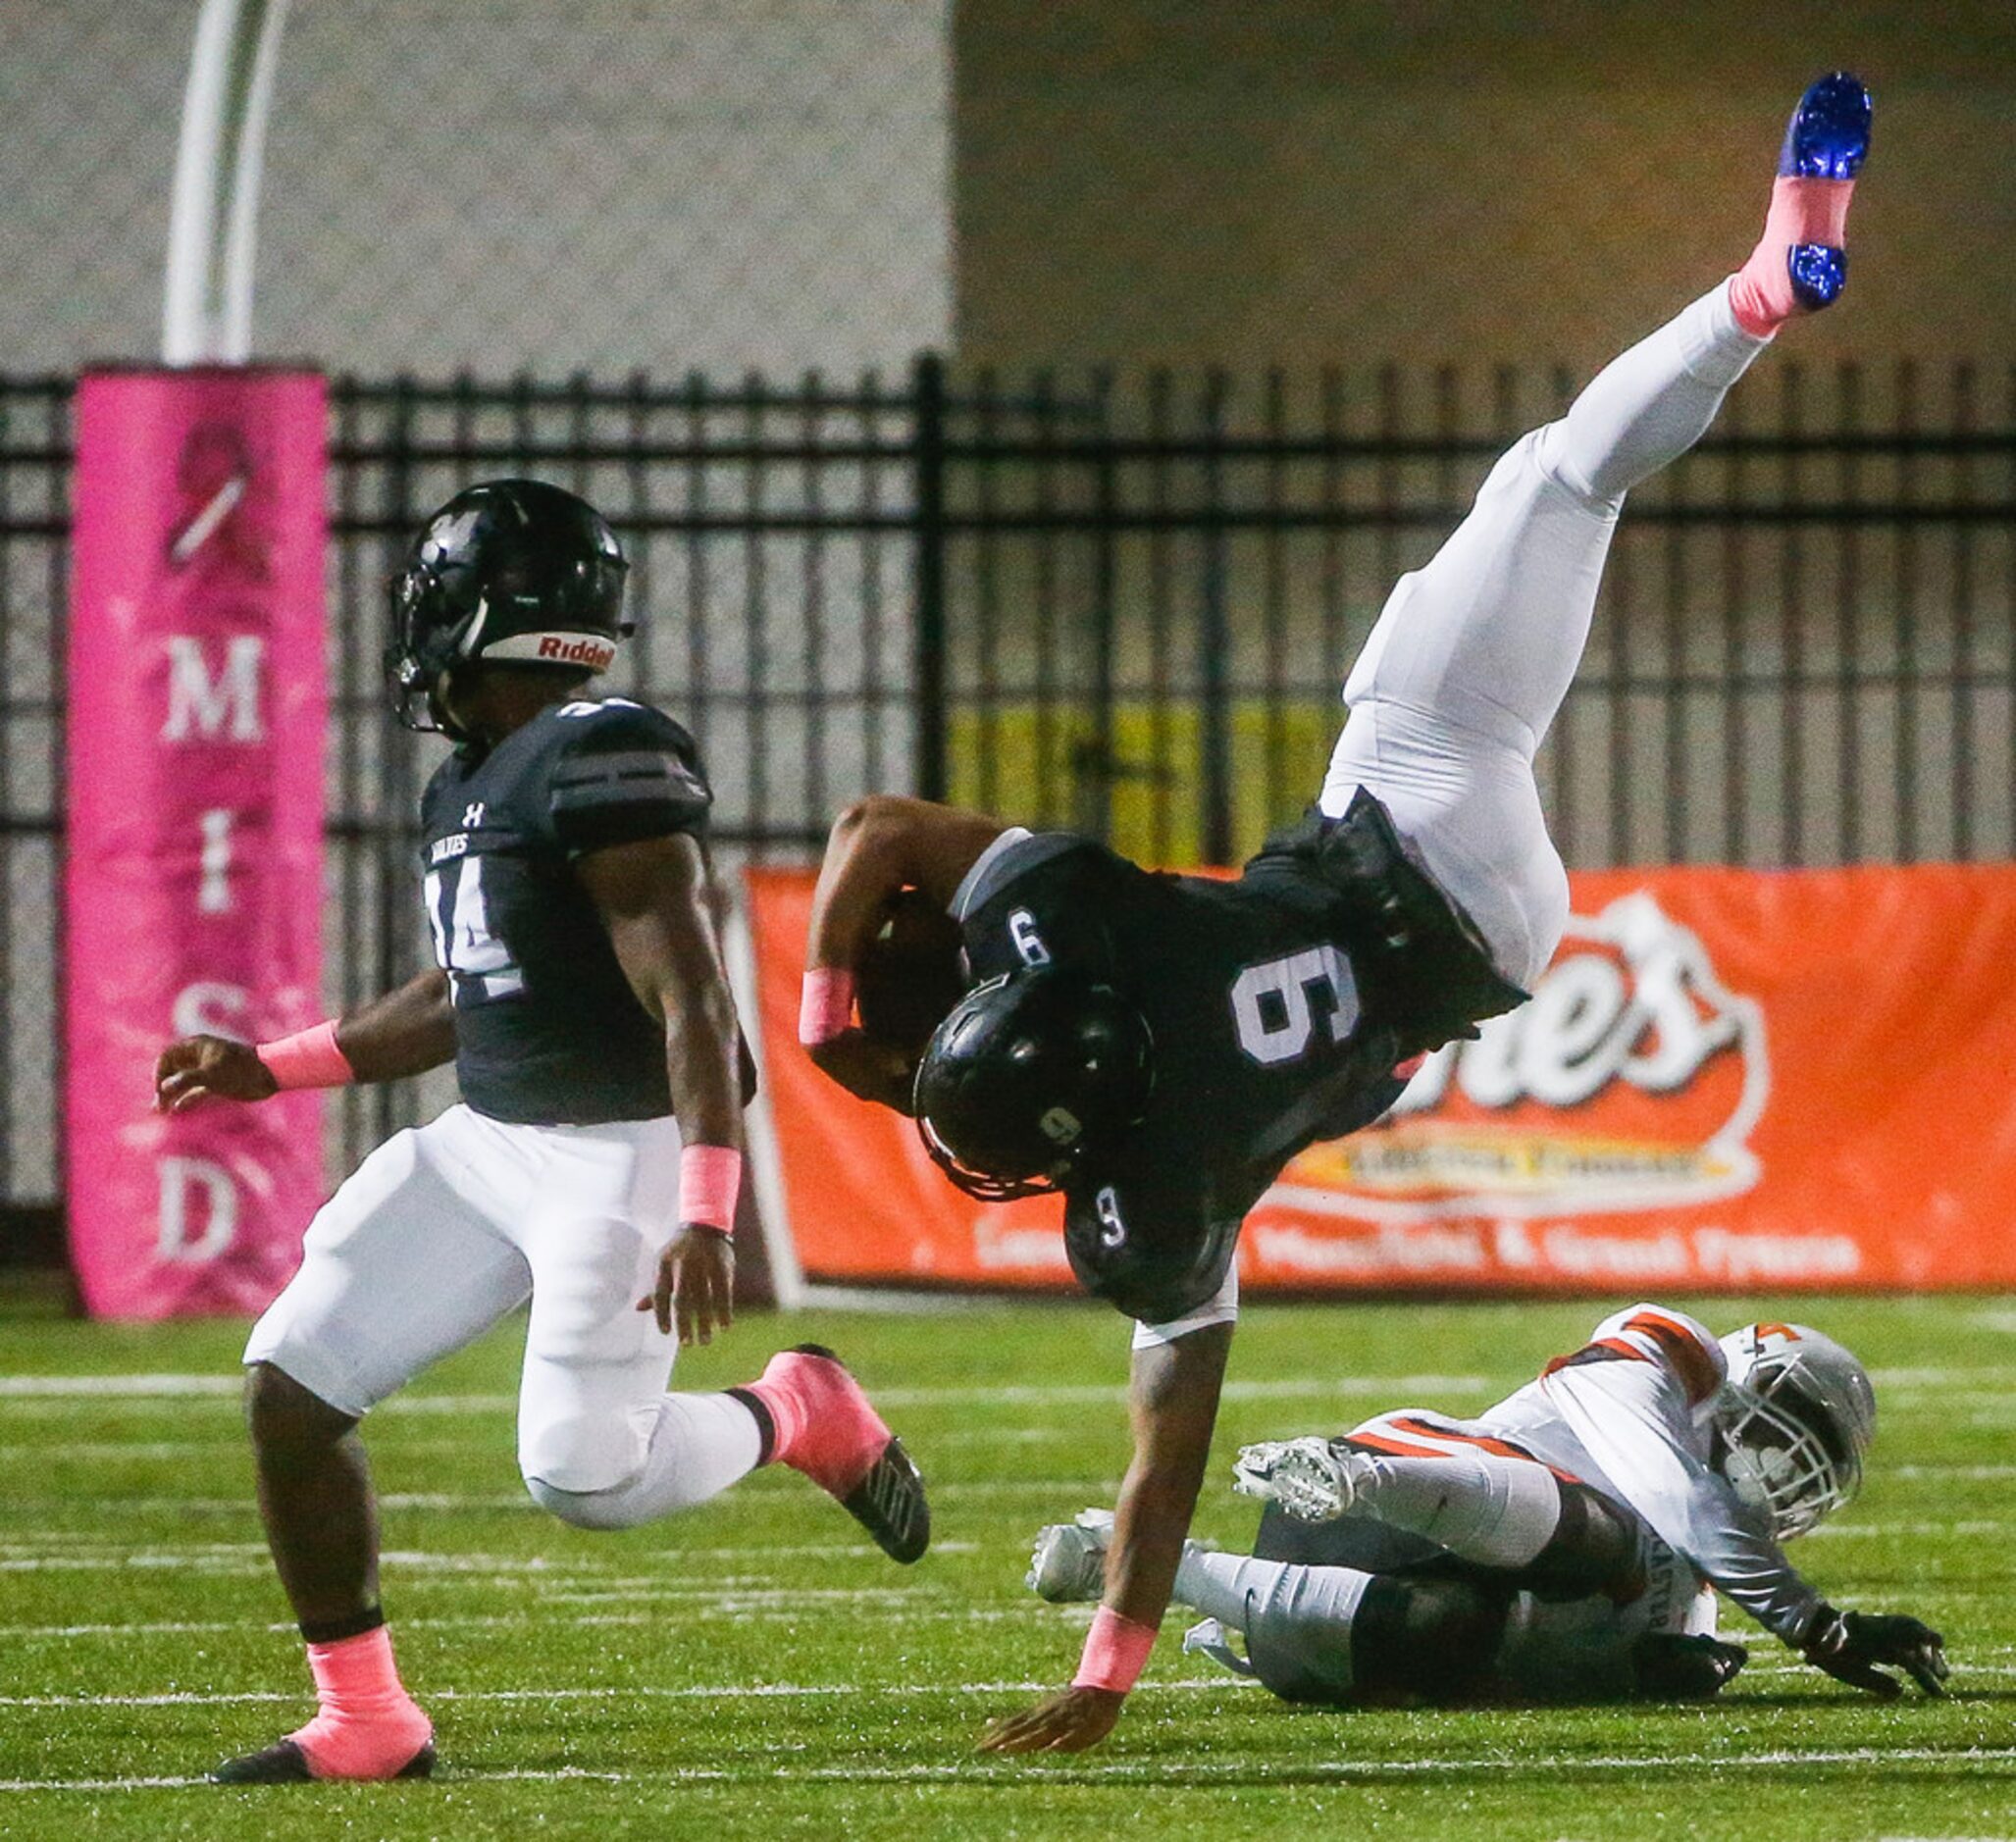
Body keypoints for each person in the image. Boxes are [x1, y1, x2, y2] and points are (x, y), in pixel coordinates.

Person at [798, 76, 1878, 1752]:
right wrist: (820, 1022)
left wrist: (1102, 1678)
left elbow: (1164, 1448)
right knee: (1556, 479)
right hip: (1410, 797)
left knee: (1552, 498)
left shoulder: (1160, 1187)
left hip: (1486, 957)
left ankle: (1758, 287)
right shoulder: (1085, 924)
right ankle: (1758, 290)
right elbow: (877, 826)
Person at [153, 479, 929, 1784]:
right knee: (291, 1382)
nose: (419, 627)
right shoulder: (470, 778)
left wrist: (702, 1212)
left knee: (583, 1476)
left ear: (488, 615)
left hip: (616, 1158)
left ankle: (795, 1408)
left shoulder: (598, 751)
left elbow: (694, 1002)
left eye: (438, 599)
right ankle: (368, 1720)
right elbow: (464, 987)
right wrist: (270, 1070)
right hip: (491, 1143)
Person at [1025, 1306, 1948, 1708]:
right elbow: (1677, 1496)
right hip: (1383, 1491)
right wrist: (1817, 1627)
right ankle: (1343, 1470)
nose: (1775, 1470)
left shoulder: (1698, 1588)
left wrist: (1633, 1675)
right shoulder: (1659, 1359)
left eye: (1801, 1463)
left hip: (1327, 1632)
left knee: (1464, 1631)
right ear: (1738, 1384)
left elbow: (1542, 1662)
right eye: (1777, 1434)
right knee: (1606, 1543)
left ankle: (1142, 1559)